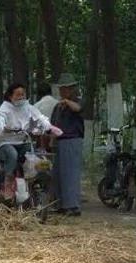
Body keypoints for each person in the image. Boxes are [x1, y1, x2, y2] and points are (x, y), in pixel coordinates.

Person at [0, 82, 63, 199]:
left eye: (23, 94)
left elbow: (40, 118)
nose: (21, 97)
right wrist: (2, 128)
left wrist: (49, 127)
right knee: (12, 154)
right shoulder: (5, 109)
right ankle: (8, 182)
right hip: (4, 143)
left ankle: (30, 182)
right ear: (10, 96)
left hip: (22, 141)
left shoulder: (28, 108)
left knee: (32, 155)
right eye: (18, 95)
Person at [50, 73, 84, 216]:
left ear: (71, 89)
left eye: (64, 89)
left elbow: (78, 109)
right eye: (61, 89)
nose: (62, 92)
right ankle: (61, 203)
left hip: (72, 140)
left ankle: (73, 205)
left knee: (70, 173)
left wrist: (67, 102)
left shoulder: (77, 101)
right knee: (58, 174)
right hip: (60, 141)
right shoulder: (58, 107)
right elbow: (53, 123)